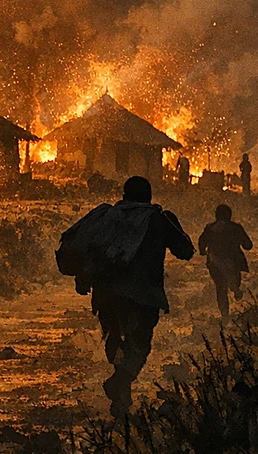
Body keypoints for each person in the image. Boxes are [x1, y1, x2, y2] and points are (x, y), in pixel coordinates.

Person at [88, 177, 193, 415]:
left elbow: (89, 250)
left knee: (114, 337)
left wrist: (84, 281)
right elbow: (185, 251)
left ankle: (122, 393)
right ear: (149, 196)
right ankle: (121, 382)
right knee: (140, 344)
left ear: (124, 195)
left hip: (107, 293)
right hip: (144, 295)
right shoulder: (159, 219)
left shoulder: (107, 217)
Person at [198, 204, 254, 318]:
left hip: (214, 262)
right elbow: (248, 245)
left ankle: (225, 315)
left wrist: (203, 251)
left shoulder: (210, 228)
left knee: (220, 287)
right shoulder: (236, 228)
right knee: (233, 283)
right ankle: (235, 290)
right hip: (233, 262)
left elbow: (202, 242)